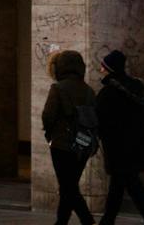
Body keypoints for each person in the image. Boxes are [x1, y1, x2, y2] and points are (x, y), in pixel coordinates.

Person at [95, 50, 144, 225]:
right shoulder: (138, 87)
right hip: (137, 144)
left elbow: (99, 120)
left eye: (103, 66)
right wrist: (142, 130)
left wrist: (104, 136)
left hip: (117, 147)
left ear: (109, 68)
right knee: (119, 185)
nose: (100, 69)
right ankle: (107, 221)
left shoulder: (108, 93)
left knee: (133, 186)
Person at [42, 49, 97, 225]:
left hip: (62, 143)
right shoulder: (88, 90)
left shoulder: (58, 88)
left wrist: (49, 135)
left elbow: (48, 115)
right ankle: (61, 222)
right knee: (69, 185)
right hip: (84, 143)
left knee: (68, 187)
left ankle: (87, 220)